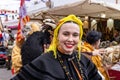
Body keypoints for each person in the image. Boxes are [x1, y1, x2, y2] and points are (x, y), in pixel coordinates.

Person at [11, 14, 102, 80]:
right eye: (66, 34)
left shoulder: (84, 61)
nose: (70, 39)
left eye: (75, 35)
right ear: (57, 36)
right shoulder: (43, 62)